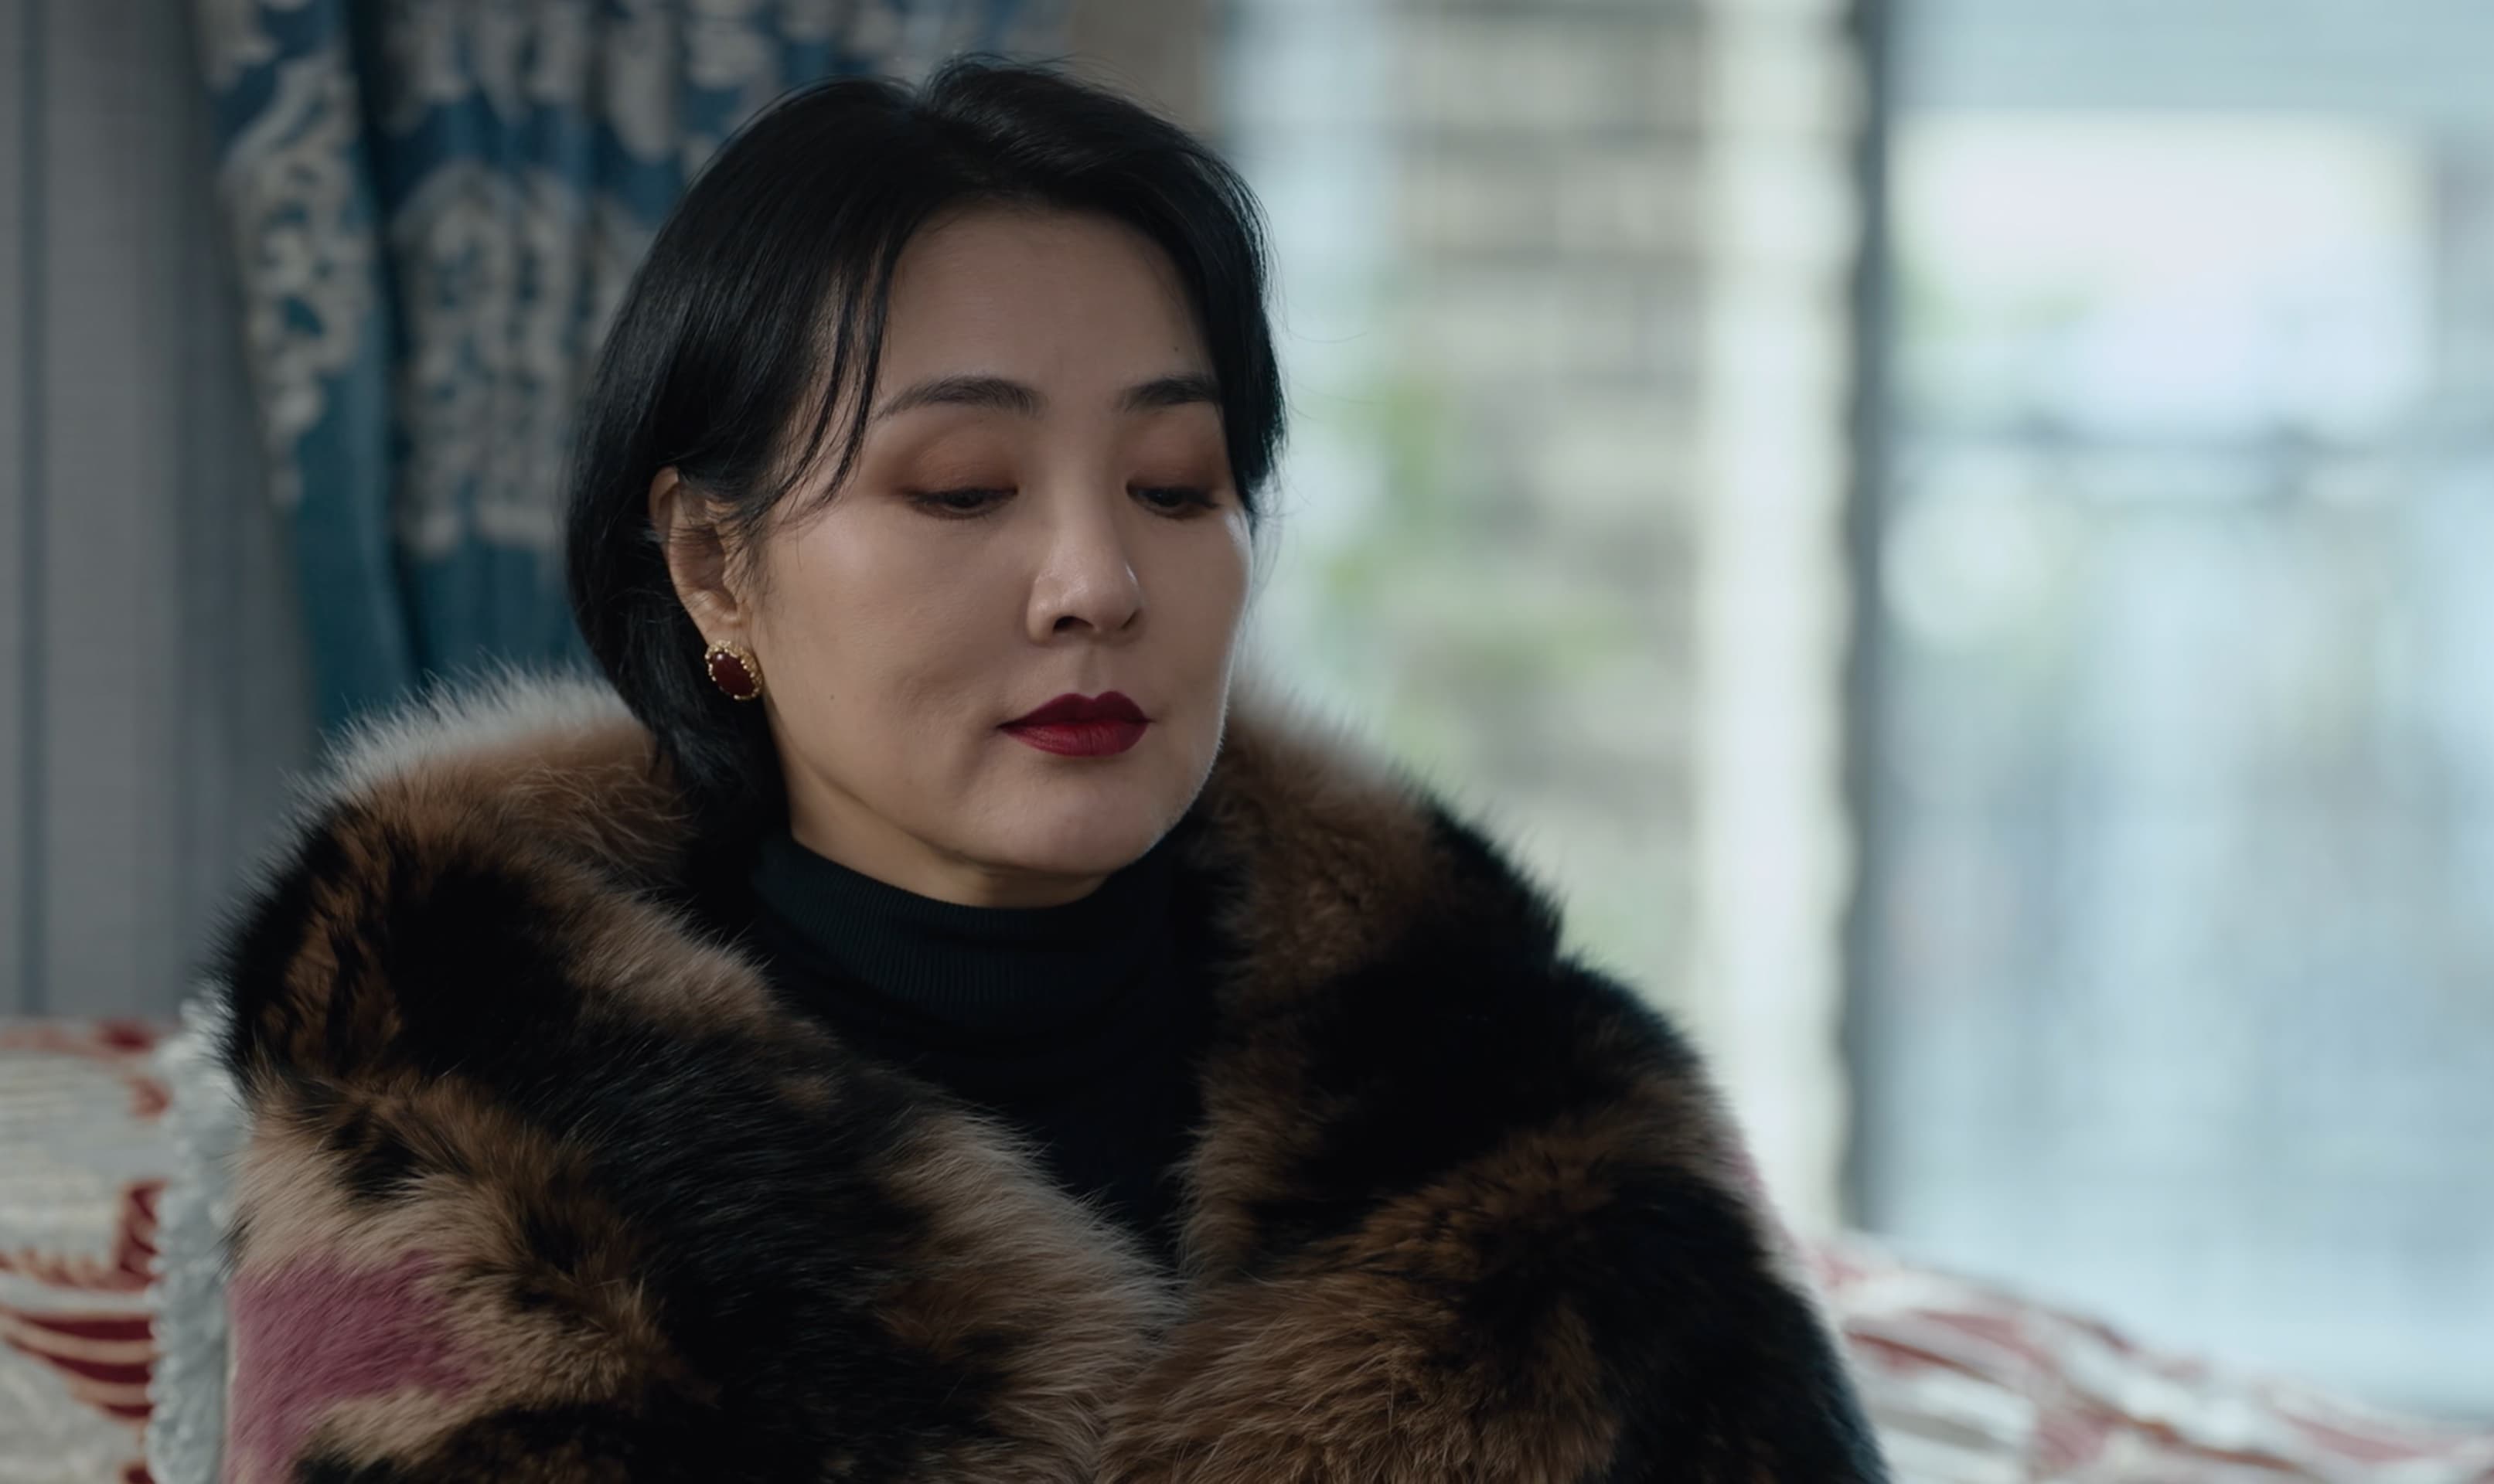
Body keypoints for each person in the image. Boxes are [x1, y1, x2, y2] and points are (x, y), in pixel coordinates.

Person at [209, 57, 1891, 1482]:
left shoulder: (1553, 1127)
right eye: (961, 488)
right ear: (715, 567)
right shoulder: (447, 1128)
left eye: (1175, 485)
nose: (1097, 580)